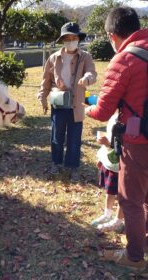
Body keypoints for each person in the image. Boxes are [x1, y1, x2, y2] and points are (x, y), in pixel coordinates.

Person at [86, 7, 148, 271]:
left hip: (138, 142)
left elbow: (102, 111)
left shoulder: (124, 59)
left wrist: (87, 107)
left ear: (112, 35)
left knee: (131, 200)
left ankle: (134, 258)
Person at [37, 22, 97, 182]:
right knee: (56, 136)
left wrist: (87, 78)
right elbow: (46, 80)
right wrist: (42, 96)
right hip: (58, 104)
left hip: (77, 105)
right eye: (67, 38)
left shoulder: (85, 56)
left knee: (74, 138)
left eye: (74, 38)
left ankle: (73, 167)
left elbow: (92, 72)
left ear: (78, 39)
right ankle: (55, 162)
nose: (71, 41)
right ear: (63, 40)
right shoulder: (53, 57)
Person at [91, 113, 124, 232]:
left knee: (122, 195)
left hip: (123, 165)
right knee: (110, 190)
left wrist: (108, 143)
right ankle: (107, 213)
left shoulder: (129, 118)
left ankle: (118, 221)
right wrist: (101, 157)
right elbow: (110, 135)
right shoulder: (114, 116)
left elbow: (125, 145)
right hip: (111, 162)